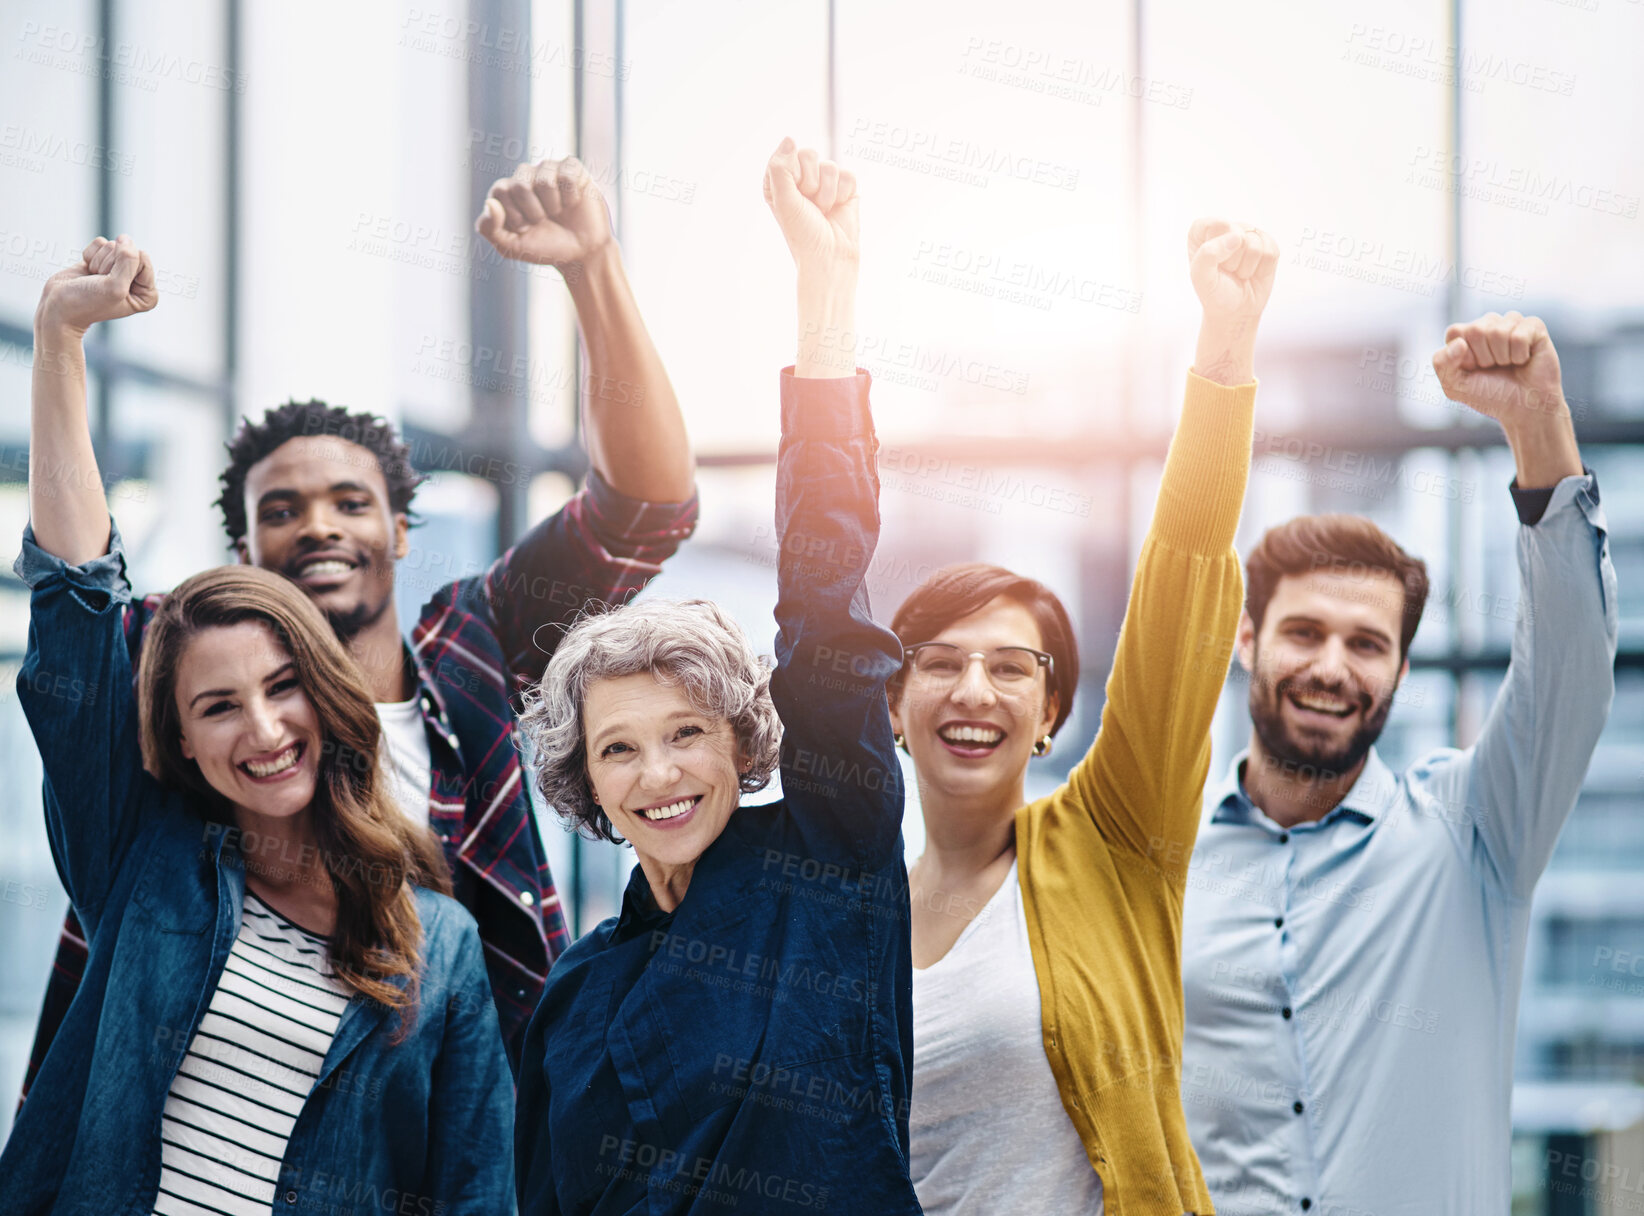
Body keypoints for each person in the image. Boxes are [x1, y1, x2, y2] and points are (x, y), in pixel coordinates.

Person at [20, 153, 697, 1087]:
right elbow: (78, 589)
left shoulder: (473, 649)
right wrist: (61, 343)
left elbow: (646, 506)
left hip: (439, 1136)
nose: (320, 526)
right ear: (247, 550)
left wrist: (593, 267)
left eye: (350, 500)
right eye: (283, 510)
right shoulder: (179, 671)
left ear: (401, 533)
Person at [512, 138, 920, 1215]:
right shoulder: (576, 994)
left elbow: (827, 611)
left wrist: (824, 301)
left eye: (686, 732)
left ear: (744, 741)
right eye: (618, 747)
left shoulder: (827, 865)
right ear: (585, 784)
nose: (659, 772)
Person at [2, 431, 513, 1211]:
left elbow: (476, 1189)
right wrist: (62, 335)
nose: (266, 731)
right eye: (219, 708)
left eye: (283, 687)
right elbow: (75, 602)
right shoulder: (145, 865)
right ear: (182, 742)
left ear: (328, 693)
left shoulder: (441, 944)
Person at [1179, 312, 1617, 1214]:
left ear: (1401, 671)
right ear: (1246, 640)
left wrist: (1538, 425)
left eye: (1366, 644)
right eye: (1303, 632)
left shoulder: (1477, 827)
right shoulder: (1163, 866)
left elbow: (1569, 663)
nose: (1332, 667)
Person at [893, 219, 1278, 1214]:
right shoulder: (857, 913)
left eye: (1012, 667)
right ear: (894, 704)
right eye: (941, 662)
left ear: (1053, 711)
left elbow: (1182, 580)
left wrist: (1224, 350)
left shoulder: (1114, 839)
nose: (975, 689)